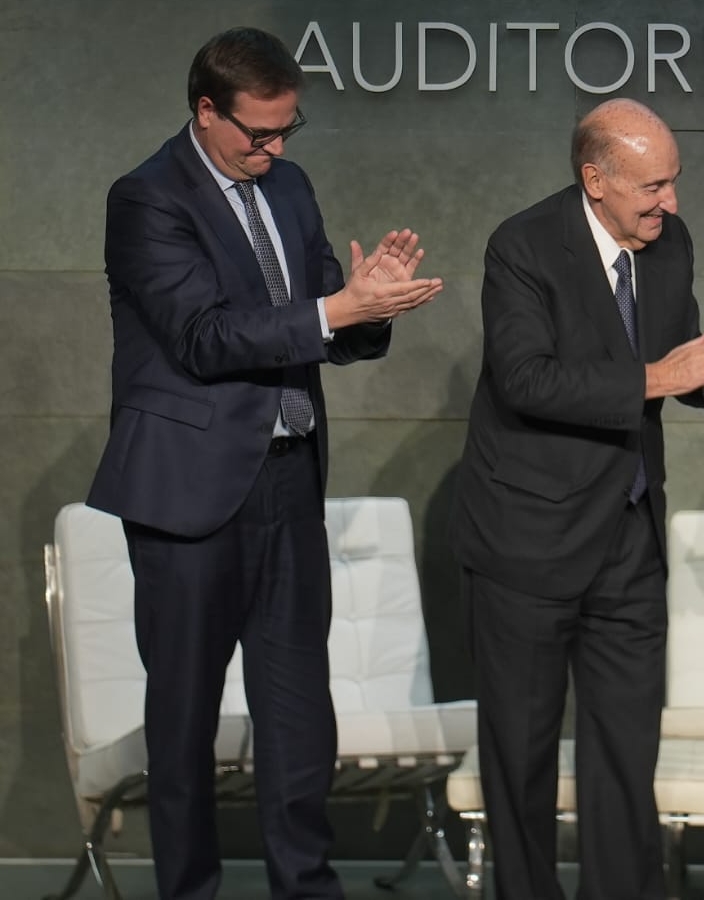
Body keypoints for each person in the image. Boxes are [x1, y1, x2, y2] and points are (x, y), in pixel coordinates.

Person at [85, 25, 444, 900]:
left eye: (288, 131)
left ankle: (305, 887)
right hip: (187, 494)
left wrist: (370, 308)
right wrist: (335, 308)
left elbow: (325, 312)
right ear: (207, 112)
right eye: (258, 133)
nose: (274, 148)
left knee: (297, 712)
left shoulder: (290, 186)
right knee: (183, 721)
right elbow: (205, 339)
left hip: (288, 480)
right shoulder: (147, 198)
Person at [450, 98, 704, 900]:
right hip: (528, 541)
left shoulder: (670, 244)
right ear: (595, 179)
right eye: (652, 186)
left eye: (673, 182)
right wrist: (661, 378)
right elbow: (525, 380)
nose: (670, 202)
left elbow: (673, 355)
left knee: (626, 758)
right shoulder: (523, 246)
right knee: (522, 760)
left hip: (629, 540)